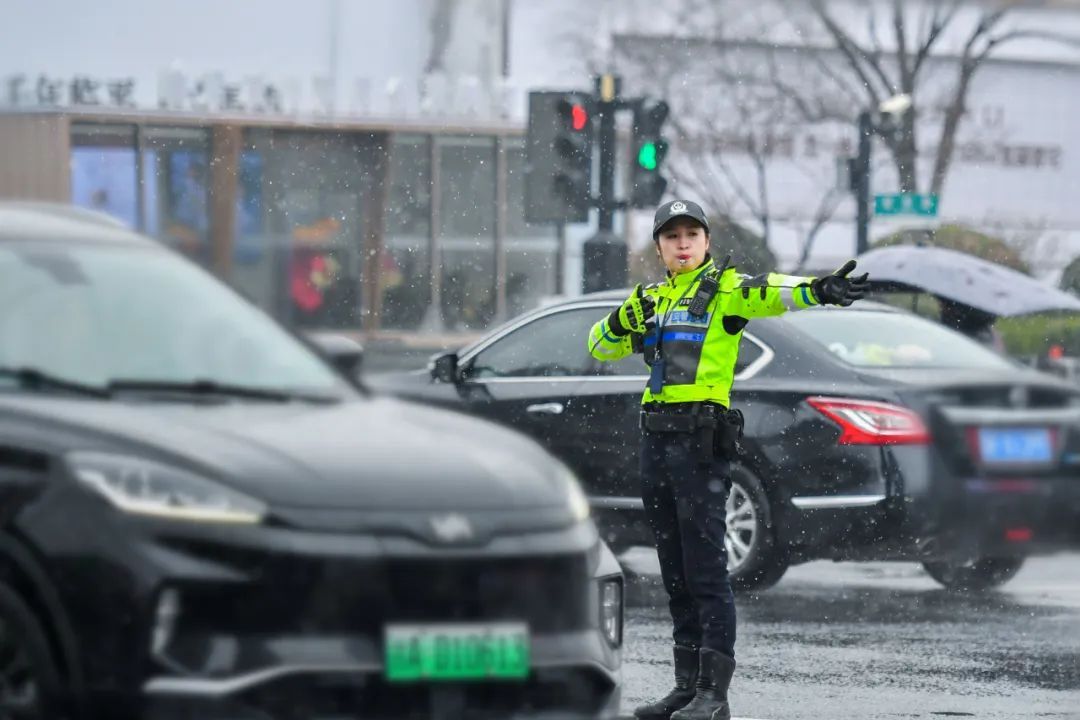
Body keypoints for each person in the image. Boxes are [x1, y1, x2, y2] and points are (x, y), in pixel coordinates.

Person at [587, 199, 869, 720]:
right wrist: (625, 316)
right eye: (672, 237)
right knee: (672, 570)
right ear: (660, 248)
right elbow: (600, 346)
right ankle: (685, 686)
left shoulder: (726, 290)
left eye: (692, 233)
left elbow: (776, 291)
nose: (683, 243)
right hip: (656, 442)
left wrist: (822, 289)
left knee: (706, 570)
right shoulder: (649, 297)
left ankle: (714, 695)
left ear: (706, 242)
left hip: (699, 442)